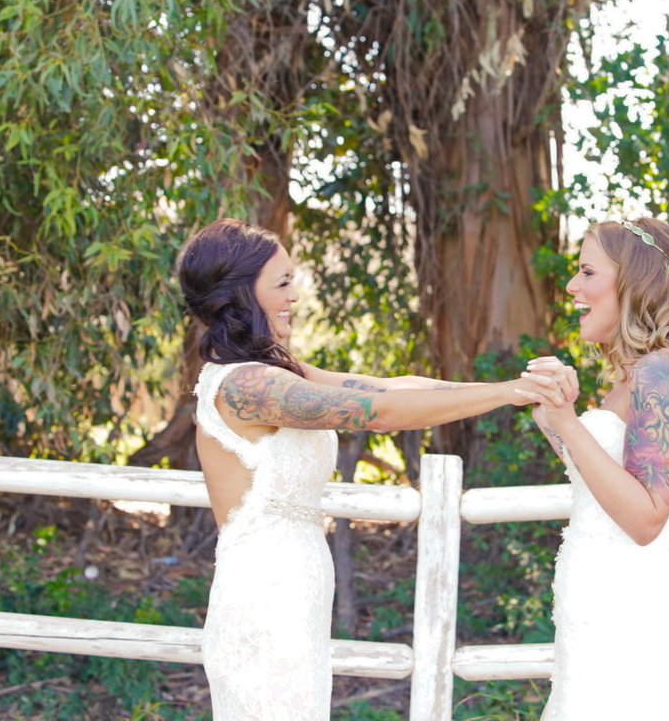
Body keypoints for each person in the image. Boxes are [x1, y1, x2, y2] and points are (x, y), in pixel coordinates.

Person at [175, 218, 568, 720]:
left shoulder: (276, 374)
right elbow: (379, 413)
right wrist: (508, 393)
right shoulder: (247, 387)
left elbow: (389, 388)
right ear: (241, 292)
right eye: (283, 282)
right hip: (263, 595)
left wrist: (513, 389)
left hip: (295, 588)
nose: (295, 295)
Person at [517, 218, 669, 720]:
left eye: (588, 272)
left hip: (632, 620)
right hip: (596, 614)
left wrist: (570, 424)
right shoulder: (635, 378)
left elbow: (646, 518)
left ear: (634, 281)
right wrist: (554, 417)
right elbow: (602, 487)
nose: (572, 286)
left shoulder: (662, 372)